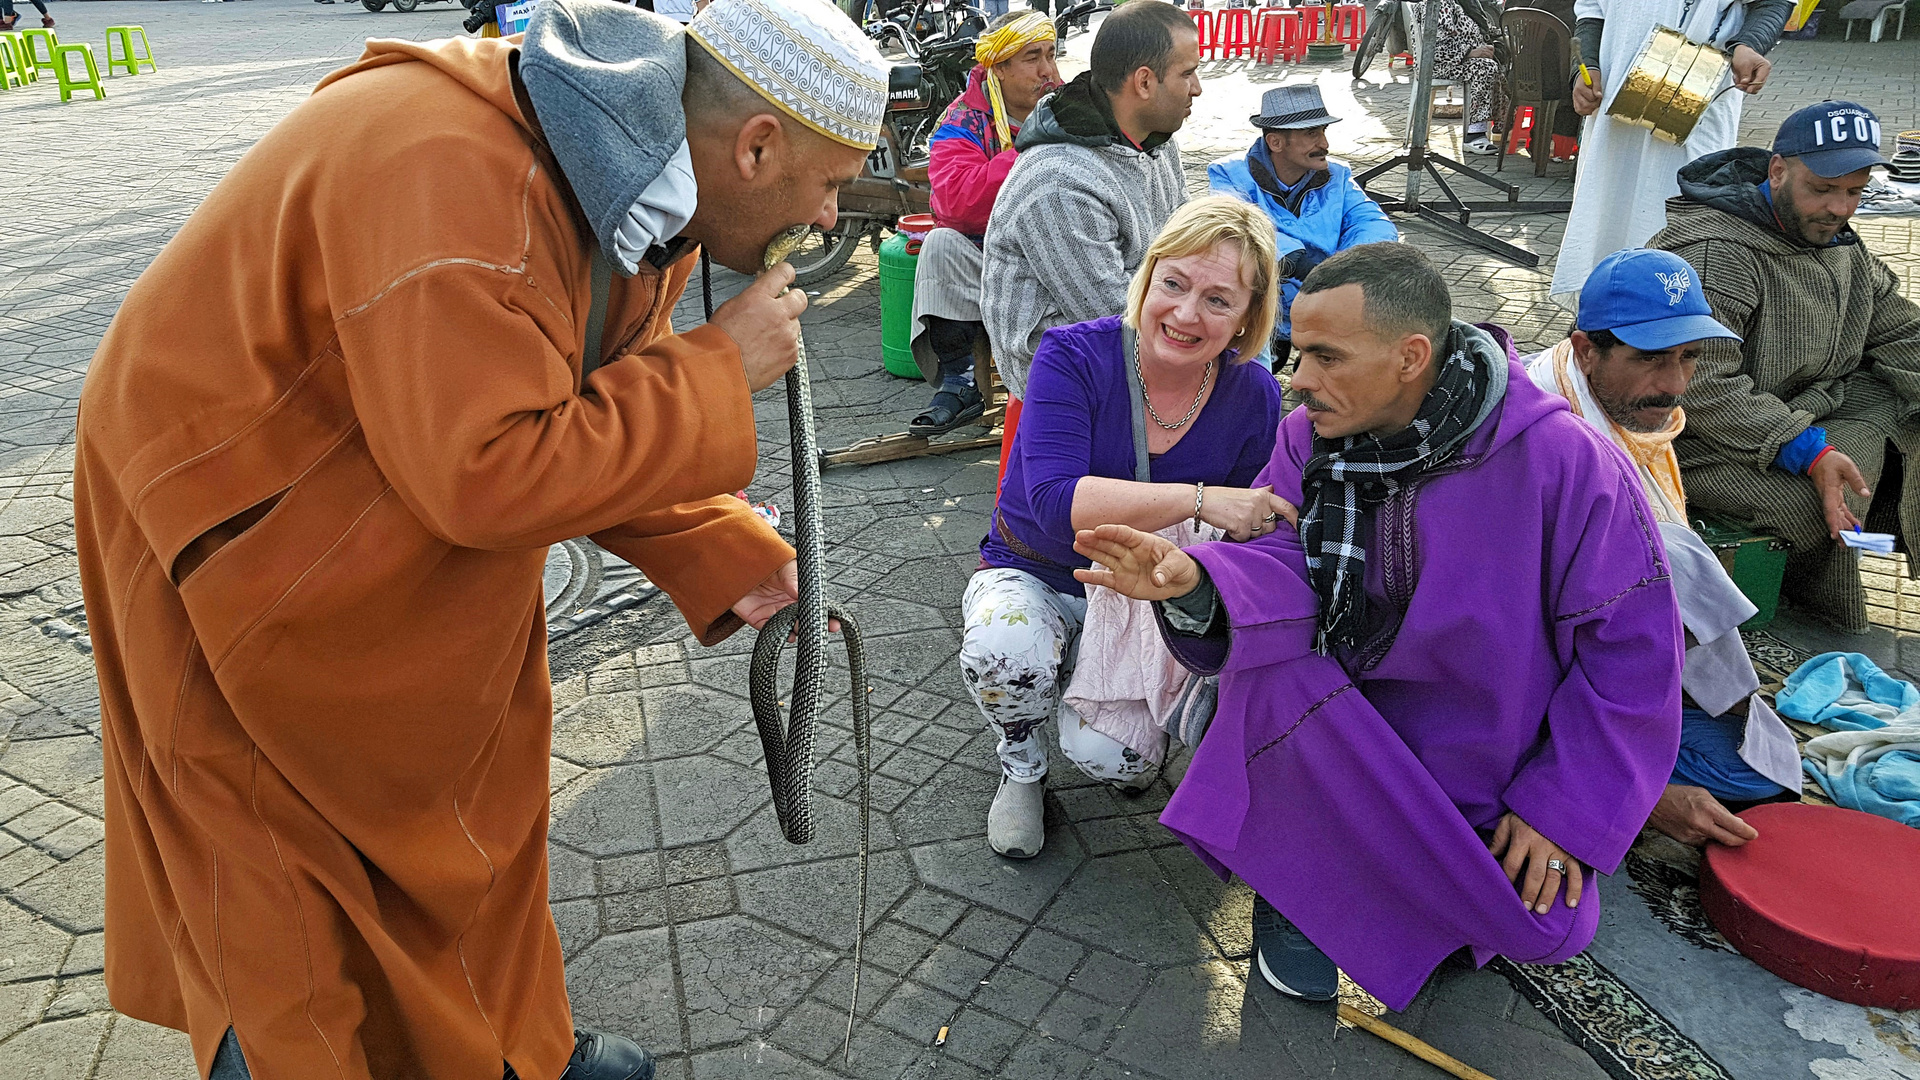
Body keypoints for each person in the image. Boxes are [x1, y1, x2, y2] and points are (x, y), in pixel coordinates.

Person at [72, 1, 885, 1077]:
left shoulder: (636, 177)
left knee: (477, 813)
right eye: (829, 186)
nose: (828, 221)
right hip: (235, 525)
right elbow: (487, 470)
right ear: (756, 145)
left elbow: (578, 398)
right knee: (285, 877)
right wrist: (717, 374)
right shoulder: (452, 168)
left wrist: (730, 557)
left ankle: (508, 1052)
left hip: (391, 484)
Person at [1074, 242, 1682, 1008]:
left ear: (1410, 357)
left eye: (1327, 358)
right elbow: (1283, 561)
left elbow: (1633, 658)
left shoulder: (1565, 462)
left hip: (1482, 754)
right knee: (1265, 675)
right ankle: (1299, 886)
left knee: (1550, 925)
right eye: (1298, 353)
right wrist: (1196, 580)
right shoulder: (1307, 437)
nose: (1298, 380)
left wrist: (1561, 810)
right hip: (1341, 731)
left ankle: (1399, 889)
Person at [963, 196, 1289, 859]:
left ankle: (1082, 692)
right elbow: (1056, 502)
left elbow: (1251, 534)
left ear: (1249, 317)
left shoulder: (1254, 393)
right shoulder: (1073, 355)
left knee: (1122, 765)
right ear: (1149, 275)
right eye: (1173, 283)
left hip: (1148, 596)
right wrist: (1200, 499)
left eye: (1218, 300)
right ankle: (1021, 765)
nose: (1186, 313)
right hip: (1038, 569)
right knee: (1005, 652)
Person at [1526, 248, 1804, 849]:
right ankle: (1575, 783)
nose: (1674, 385)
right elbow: (1515, 645)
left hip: (1603, 657)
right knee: (1735, 771)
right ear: (1584, 351)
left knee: (1756, 762)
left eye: (1689, 358)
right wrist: (1644, 795)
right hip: (1534, 681)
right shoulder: (1543, 445)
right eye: (1650, 359)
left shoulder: (1625, 416)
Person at [1649, 101, 1920, 634]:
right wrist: (1807, 450)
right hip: (1700, 440)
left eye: (1855, 191)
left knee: (1908, 423)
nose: (1841, 208)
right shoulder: (1716, 250)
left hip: (1813, 407)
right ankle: (1788, 621)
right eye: (1823, 189)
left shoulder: (1836, 238)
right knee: (1807, 508)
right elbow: (1699, 386)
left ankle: (1874, 549)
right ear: (1778, 170)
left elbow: (1899, 329)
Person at [981, 0, 1199, 401]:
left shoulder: (1157, 144)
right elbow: (1114, 317)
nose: (1197, 88)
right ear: (1145, 82)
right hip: (1067, 376)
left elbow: (1186, 243)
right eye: (1188, 73)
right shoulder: (1059, 180)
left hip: (1143, 333)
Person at [1547, 0, 1794, 307]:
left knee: (1680, 223)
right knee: (1606, 222)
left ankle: (1674, 328)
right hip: (1613, 108)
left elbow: (1773, 3)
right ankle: (1605, 324)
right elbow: (1592, 11)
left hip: (1697, 105)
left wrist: (1749, 44)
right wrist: (1587, 68)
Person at [908, 11, 1061, 435]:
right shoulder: (962, 121)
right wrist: (1027, 149)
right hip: (994, 266)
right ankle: (959, 384)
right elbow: (956, 204)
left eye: (1051, 55)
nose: (1048, 71)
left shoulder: (1070, 108)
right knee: (940, 245)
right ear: (998, 67)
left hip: (1064, 261)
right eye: (1032, 58)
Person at [1207, 85, 1398, 372]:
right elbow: (1234, 228)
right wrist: (1297, 259)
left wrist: (1344, 267)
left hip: (1327, 304)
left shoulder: (1338, 175)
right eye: (1311, 133)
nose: (1324, 143)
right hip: (1259, 311)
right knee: (1247, 381)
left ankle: (1319, 353)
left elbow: (1371, 221)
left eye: (1323, 131)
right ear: (1275, 142)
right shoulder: (1229, 175)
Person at [1425, 0, 1503, 156]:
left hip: (1464, 58)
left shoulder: (1468, 3)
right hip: (1443, 62)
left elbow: (1482, 27)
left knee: (1507, 60)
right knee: (1484, 68)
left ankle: (1504, 124)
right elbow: (1437, 46)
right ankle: (1475, 134)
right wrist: (1470, 52)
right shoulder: (1440, 5)